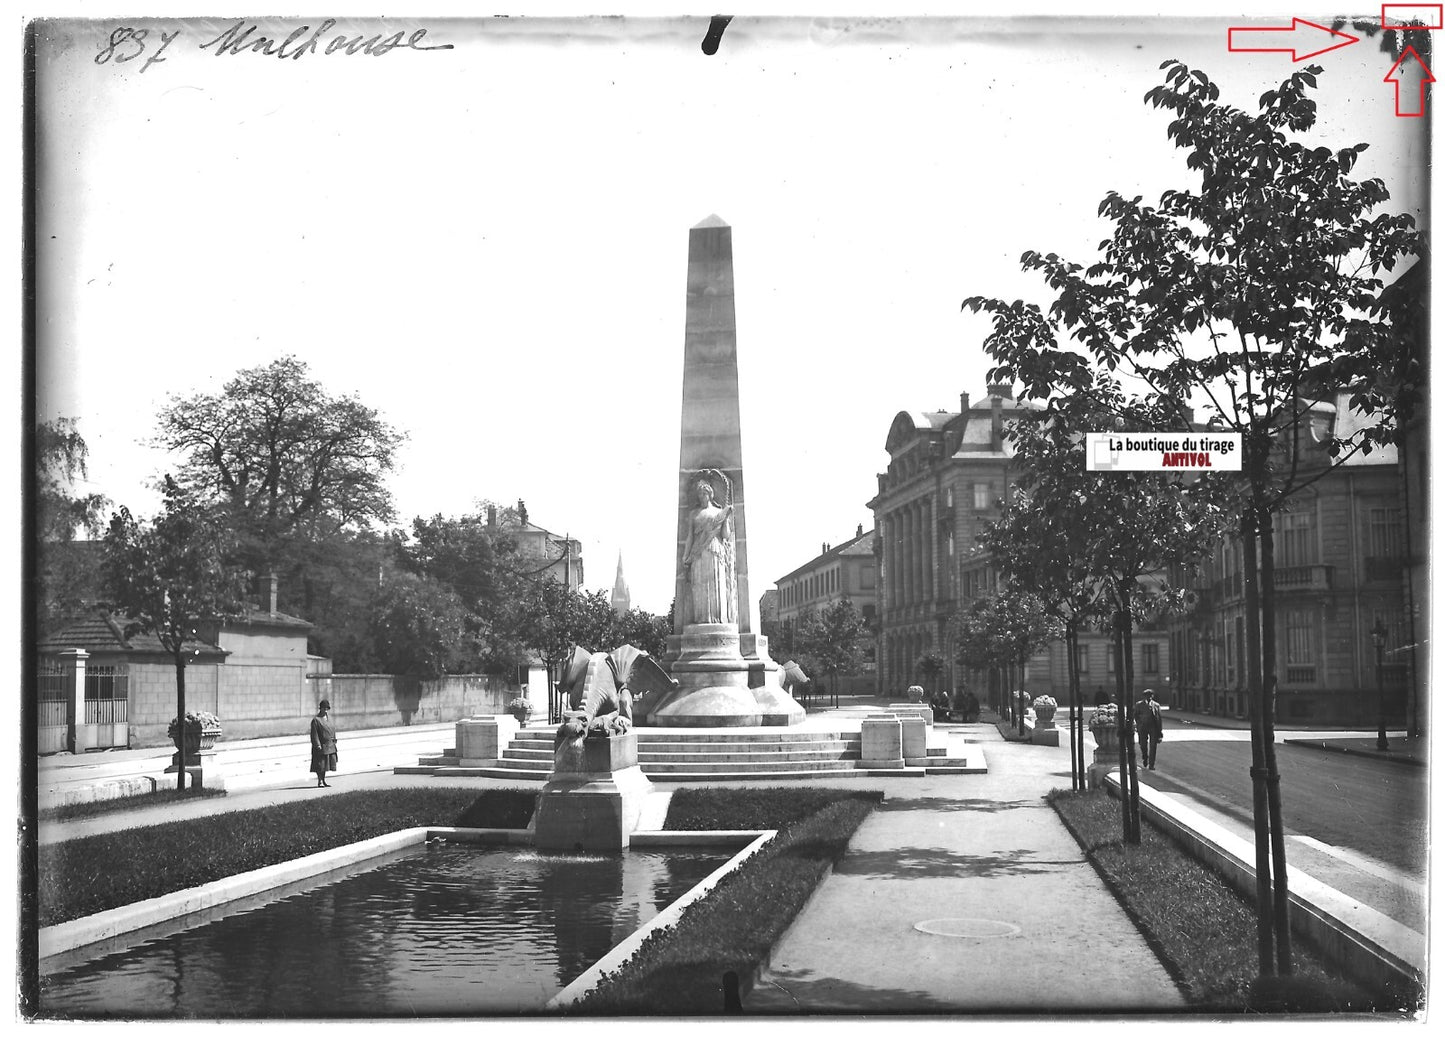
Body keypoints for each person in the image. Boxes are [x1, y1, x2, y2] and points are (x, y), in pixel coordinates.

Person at [678, 473, 737, 626]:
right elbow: (690, 536)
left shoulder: (719, 512)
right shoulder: (693, 514)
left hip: (714, 550)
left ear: (710, 494)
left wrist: (726, 521)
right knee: (699, 584)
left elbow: (725, 535)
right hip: (698, 553)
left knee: (715, 581)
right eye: (699, 494)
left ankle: (717, 618)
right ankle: (701, 618)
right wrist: (686, 555)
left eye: (704, 493)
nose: (701, 496)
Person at [1133, 687, 1163, 770]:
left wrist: (1160, 731)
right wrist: (1139, 723)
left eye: (1150, 695)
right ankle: (1145, 757)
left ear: (1152, 696)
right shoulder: (1139, 705)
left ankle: (1151, 764)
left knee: (1153, 746)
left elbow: (1159, 718)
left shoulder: (1156, 705)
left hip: (1153, 727)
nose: (1149, 697)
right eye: (1147, 696)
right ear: (1144, 696)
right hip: (1143, 727)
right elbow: (1135, 715)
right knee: (1143, 745)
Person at [310, 699, 337, 788]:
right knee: (320, 765)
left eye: (327, 708)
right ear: (320, 708)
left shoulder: (330, 719)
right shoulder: (316, 720)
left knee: (326, 765)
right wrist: (317, 744)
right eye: (323, 708)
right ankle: (320, 781)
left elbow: (333, 729)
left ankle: (324, 780)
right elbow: (314, 734)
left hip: (329, 745)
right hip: (320, 746)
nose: (325, 710)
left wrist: (334, 739)